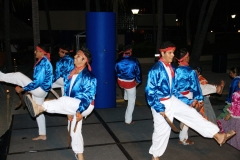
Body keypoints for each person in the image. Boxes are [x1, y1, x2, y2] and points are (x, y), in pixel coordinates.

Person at [145, 41, 236, 160]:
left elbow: (174, 90)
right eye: (170, 53)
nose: (173, 55)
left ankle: (217, 135)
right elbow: (150, 92)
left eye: (173, 52)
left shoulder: (171, 67)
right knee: (162, 131)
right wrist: (159, 108)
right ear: (162, 53)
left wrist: (186, 101)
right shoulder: (155, 70)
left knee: (192, 114)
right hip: (160, 103)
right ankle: (155, 156)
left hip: (171, 99)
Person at [24, 47, 97, 160]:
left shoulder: (89, 77)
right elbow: (68, 93)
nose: (74, 57)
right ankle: (80, 156)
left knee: (63, 100)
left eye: (78, 56)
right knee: (73, 131)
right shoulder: (70, 73)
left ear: (84, 60)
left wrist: (80, 111)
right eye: (76, 55)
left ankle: (40, 108)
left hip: (86, 105)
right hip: (73, 104)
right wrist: (68, 111)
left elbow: (87, 97)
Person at [0, 44, 53, 140]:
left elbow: (37, 82)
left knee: (19, 76)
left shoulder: (43, 63)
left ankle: (1, 76)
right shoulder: (44, 61)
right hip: (43, 90)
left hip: (39, 89)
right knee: (38, 111)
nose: (35, 52)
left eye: (36, 50)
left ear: (41, 52)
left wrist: (23, 89)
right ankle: (42, 134)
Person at [174, 48, 204, 145]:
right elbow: (196, 86)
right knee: (189, 116)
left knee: (183, 115)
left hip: (175, 96)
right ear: (186, 58)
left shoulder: (174, 70)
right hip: (186, 96)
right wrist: (199, 99)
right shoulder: (190, 71)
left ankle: (182, 133)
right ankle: (183, 139)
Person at [115, 45, 141, 124]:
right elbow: (138, 72)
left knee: (125, 88)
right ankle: (128, 120)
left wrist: (118, 80)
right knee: (131, 101)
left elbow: (115, 71)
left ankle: (125, 97)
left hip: (120, 82)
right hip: (129, 83)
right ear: (130, 51)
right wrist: (138, 81)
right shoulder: (134, 60)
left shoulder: (118, 60)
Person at [216, 82, 240, 150]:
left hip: (236, 118)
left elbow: (234, 106)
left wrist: (228, 115)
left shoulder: (236, 94)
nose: (238, 84)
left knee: (235, 132)